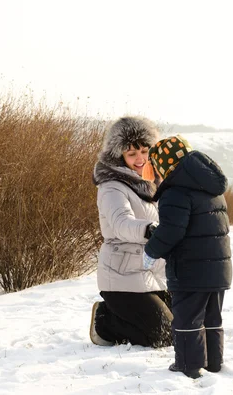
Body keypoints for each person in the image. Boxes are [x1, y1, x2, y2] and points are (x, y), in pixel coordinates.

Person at [142, 135, 232, 379]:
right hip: (218, 268)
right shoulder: (210, 187)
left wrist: (151, 251)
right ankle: (213, 362)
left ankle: (188, 366)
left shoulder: (176, 192)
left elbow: (172, 230)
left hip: (190, 269)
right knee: (212, 317)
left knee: (187, 319)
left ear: (165, 166)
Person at [90, 116, 173, 348]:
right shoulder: (111, 186)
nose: (140, 159)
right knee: (163, 335)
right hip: (121, 278)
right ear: (119, 156)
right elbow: (120, 223)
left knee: (184, 326)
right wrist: (150, 229)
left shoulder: (152, 183)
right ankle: (105, 321)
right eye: (132, 153)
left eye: (145, 151)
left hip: (152, 275)